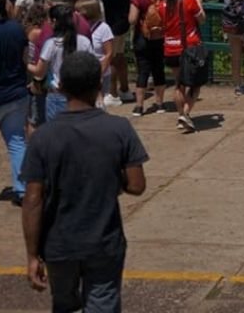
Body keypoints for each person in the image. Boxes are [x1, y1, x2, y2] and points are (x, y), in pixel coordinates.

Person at [21, 51, 148, 313]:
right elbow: (137, 185)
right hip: (104, 241)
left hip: (59, 244)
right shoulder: (119, 129)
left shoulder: (43, 138)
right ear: (99, 83)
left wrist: (32, 255)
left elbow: (33, 199)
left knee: (64, 304)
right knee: (104, 302)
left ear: (61, 87)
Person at [0, 0, 29, 206]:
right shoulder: (17, 29)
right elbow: (25, 58)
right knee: (17, 142)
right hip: (16, 94)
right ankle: (22, 189)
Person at [28, 5, 92, 123]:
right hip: (82, 94)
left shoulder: (51, 44)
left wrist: (25, 64)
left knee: (57, 135)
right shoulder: (84, 41)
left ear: (54, 21)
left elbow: (39, 72)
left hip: (58, 94)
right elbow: (93, 67)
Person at [161, 0, 206, 132]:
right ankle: (186, 113)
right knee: (195, 83)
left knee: (179, 83)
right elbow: (201, 19)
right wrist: (199, 3)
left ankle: (181, 115)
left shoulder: (162, 3)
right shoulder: (189, 0)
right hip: (189, 47)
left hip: (170, 48)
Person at [90, 0, 135, 106]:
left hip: (111, 25)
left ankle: (113, 93)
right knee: (120, 56)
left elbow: (96, 2)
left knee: (112, 58)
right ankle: (125, 89)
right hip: (123, 22)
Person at [129, 0, 167, 117]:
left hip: (142, 38)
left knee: (143, 70)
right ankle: (160, 104)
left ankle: (139, 106)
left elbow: (132, 19)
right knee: (159, 69)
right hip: (160, 37)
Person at [78, 0, 116, 109]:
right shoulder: (79, 28)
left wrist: (99, 73)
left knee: (97, 104)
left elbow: (109, 53)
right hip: (83, 72)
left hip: (101, 72)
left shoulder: (104, 28)